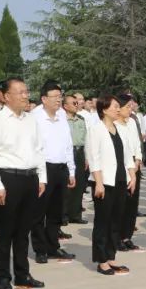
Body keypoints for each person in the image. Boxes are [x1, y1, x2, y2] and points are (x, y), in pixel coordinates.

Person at [0, 77, 47, 289]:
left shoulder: (31, 120)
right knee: (6, 231)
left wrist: (42, 177)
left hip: (30, 178)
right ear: (6, 96)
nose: (25, 95)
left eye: (26, 91)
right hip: (8, 178)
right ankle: (3, 276)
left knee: (23, 231)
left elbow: (39, 150)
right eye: (20, 92)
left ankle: (22, 274)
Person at [29, 82, 76, 264]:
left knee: (56, 212)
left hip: (61, 169)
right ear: (44, 99)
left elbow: (68, 144)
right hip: (43, 169)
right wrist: (38, 174)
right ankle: (40, 249)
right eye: (54, 96)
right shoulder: (35, 117)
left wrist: (71, 170)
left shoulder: (62, 115)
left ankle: (53, 246)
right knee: (39, 212)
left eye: (60, 96)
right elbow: (33, 147)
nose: (59, 99)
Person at [87, 94, 133, 275]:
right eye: (114, 106)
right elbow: (94, 158)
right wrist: (98, 183)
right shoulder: (96, 129)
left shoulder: (120, 129)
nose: (117, 109)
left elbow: (127, 155)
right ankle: (101, 260)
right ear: (104, 109)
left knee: (116, 220)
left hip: (120, 179)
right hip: (104, 182)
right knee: (103, 221)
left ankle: (111, 255)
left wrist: (132, 176)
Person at [114, 93, 144, 251]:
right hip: (121, 165)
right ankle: (117, 237)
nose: (130, 109)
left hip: (134, 164)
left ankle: (127, 236)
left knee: (132, 202)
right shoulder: (113, 124)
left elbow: (137, 143)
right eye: (127, 106)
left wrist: (138, 159)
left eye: (131, 105)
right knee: (121, 203)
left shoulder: (131, 122)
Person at [63, 92, 89, 225]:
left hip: (80, 153)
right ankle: (64, 215)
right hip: (67, 153)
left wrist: (87, 157)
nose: (76, 105)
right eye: (73, 103)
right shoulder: (61, 120)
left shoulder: (81, 119)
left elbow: (86, 139)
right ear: (65, 106)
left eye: (77, 102)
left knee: (79, 185)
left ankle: (76, 214)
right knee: (67, 185)